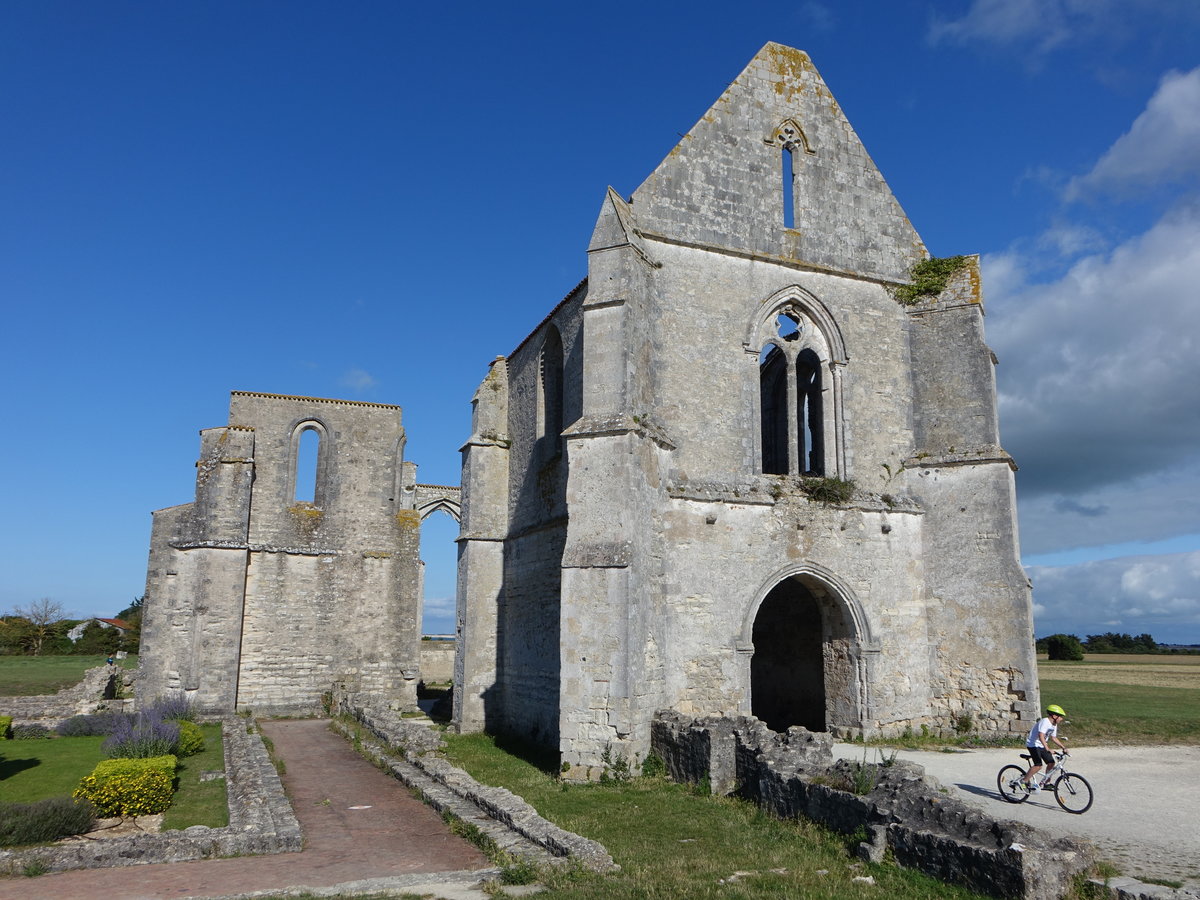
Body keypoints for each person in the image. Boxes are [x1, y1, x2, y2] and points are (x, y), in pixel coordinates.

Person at [1022, 704, 1068, 791]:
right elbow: (1041, 735)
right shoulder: (1045, 722)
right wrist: (1047, 748)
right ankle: (1024, 781)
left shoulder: (1054, 724)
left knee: (1051, 763)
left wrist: (1063, 747)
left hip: (1041, 745)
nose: (1061, 719)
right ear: (1054, 716)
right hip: (1033, 744)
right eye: (1060, 717)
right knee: (1038, 765)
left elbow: (1053, 738)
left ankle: (1046, 783)